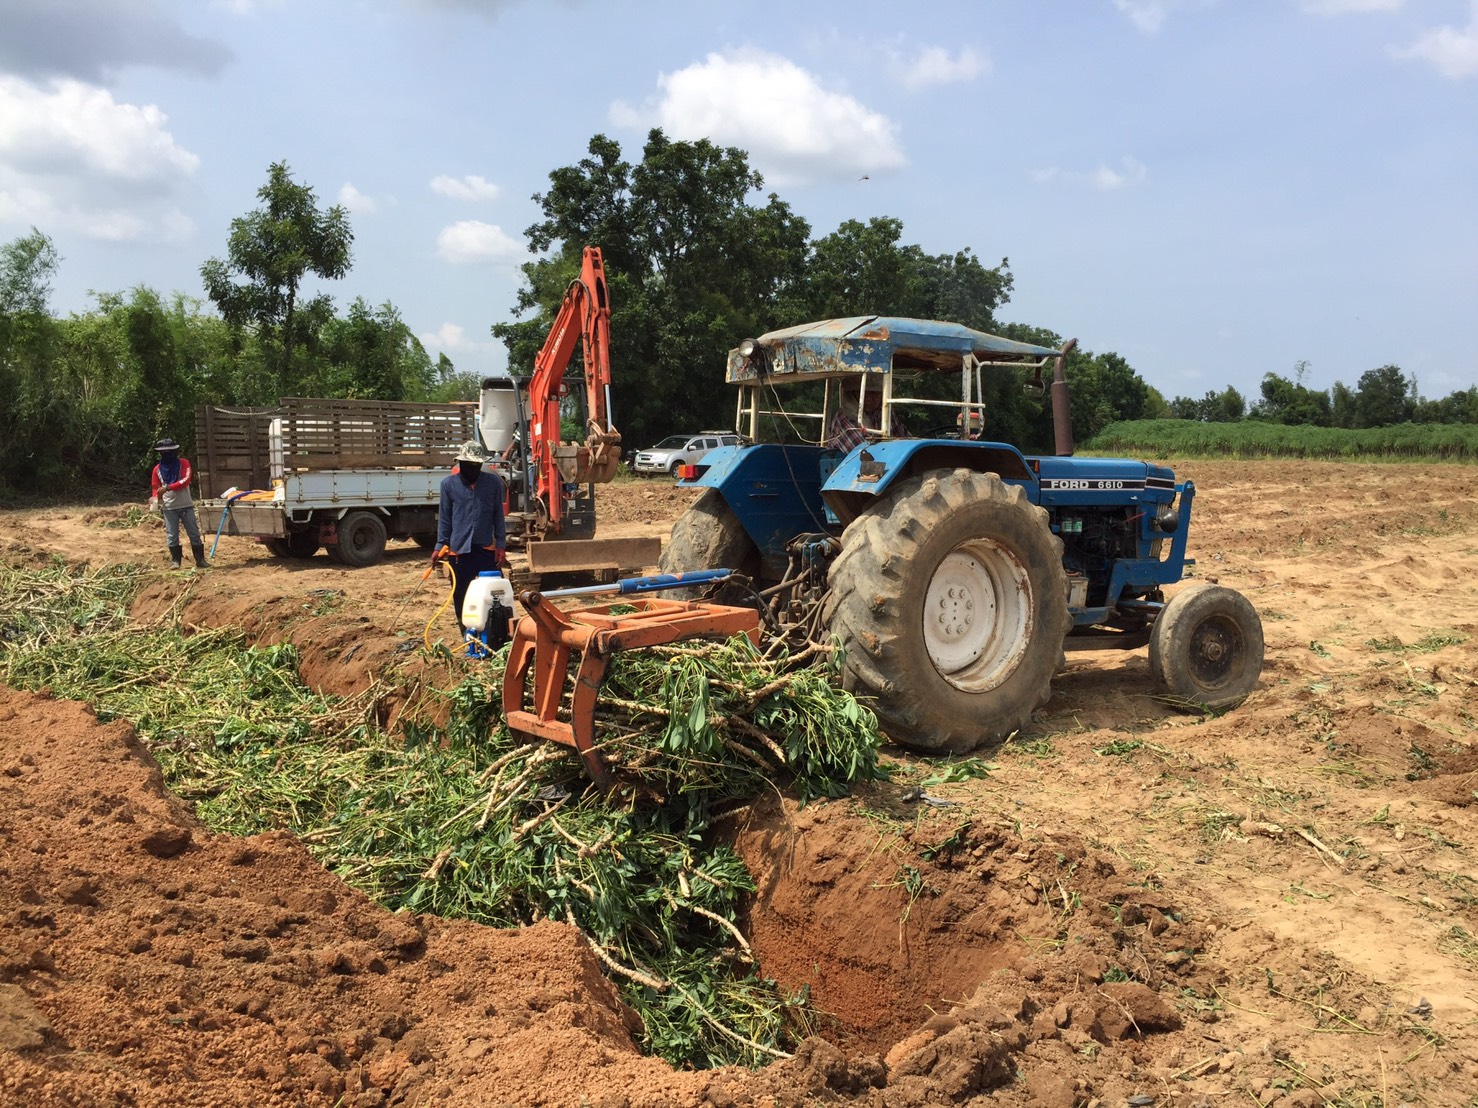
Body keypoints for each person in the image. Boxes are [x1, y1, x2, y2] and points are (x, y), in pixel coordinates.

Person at [434, 440, 508, 632]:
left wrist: (501, 545)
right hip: (460, 551)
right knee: (461, 596)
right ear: (460, 463)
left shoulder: (493, 484)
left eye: (476, 465)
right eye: (468, 465)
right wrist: (439, 546)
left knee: (495, 593)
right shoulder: (448, 485)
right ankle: (468, 635)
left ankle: (495, 633)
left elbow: (498, 516)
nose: (472, 468)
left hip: (485, 549)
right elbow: (445, 518)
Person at [150, 438, 207, 569]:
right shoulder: (157, 469)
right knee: (172, 535)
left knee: (194, 533)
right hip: (169, 507)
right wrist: (154, 498)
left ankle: (200, 561)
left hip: (186, 505)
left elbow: (186, 480)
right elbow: (155, 487)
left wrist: (169, 487)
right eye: (164, 452)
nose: (167, 454)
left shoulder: (183, 464)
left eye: (170, 451)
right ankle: (176, 561)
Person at [826, 378, 909, 452]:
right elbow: (866, 455)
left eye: (874, 393)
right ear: (854, 393)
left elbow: (906, 438)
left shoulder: (884, 412)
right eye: (864, 392)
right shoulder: (845, 417)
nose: (869, 398)